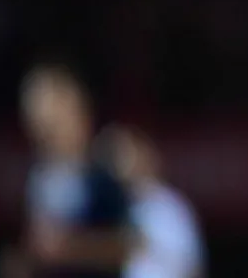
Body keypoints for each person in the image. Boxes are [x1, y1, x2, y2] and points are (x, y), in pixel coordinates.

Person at [14, 61, 134, 278]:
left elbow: (126, 244)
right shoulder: (38, 179)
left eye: (54, 125)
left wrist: (70, 249)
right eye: (40, 128)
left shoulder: (106, 173)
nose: (47, 137)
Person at [101, 125, 206, 278]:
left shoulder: (168, 206)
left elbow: (191, 266)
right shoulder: (121, 205)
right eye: (115, 157)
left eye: (127, 155)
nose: (121, 165)